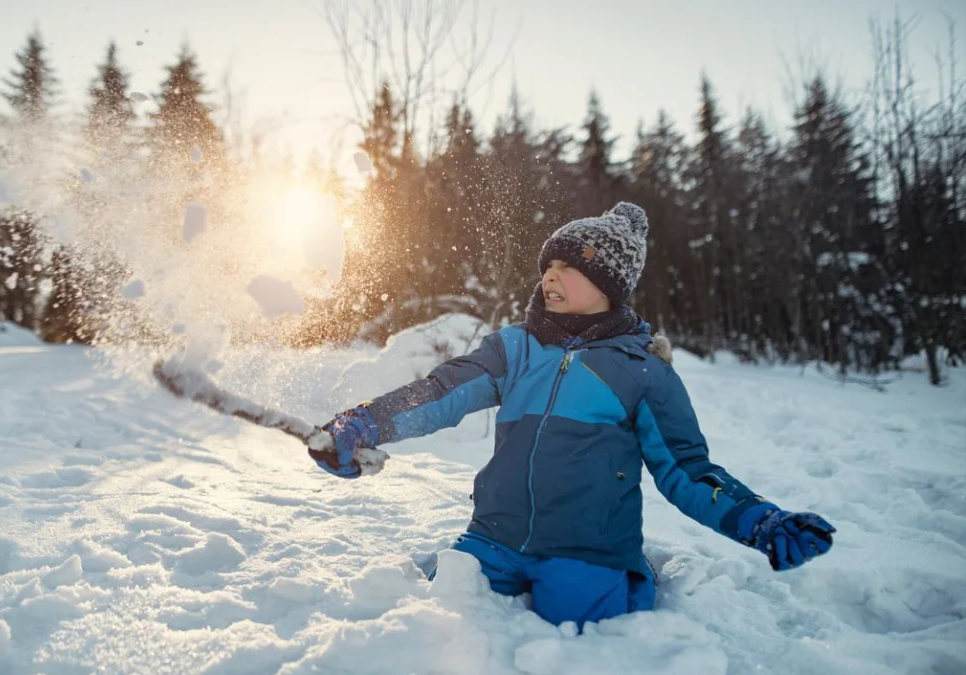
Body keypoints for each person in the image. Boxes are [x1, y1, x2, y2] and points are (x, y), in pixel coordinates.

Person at [308, 202, 835, 629]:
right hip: (493, 537)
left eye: (569, 266)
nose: (550, 277)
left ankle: (629, 578)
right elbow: (439, 393)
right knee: (432, 621)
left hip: (589, 552)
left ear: (608, 282)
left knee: (585, 647)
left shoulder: (643, 372)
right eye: (548, 268)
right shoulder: (514, 349)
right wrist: (365, 423)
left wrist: (756, 519)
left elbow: (687, 471)